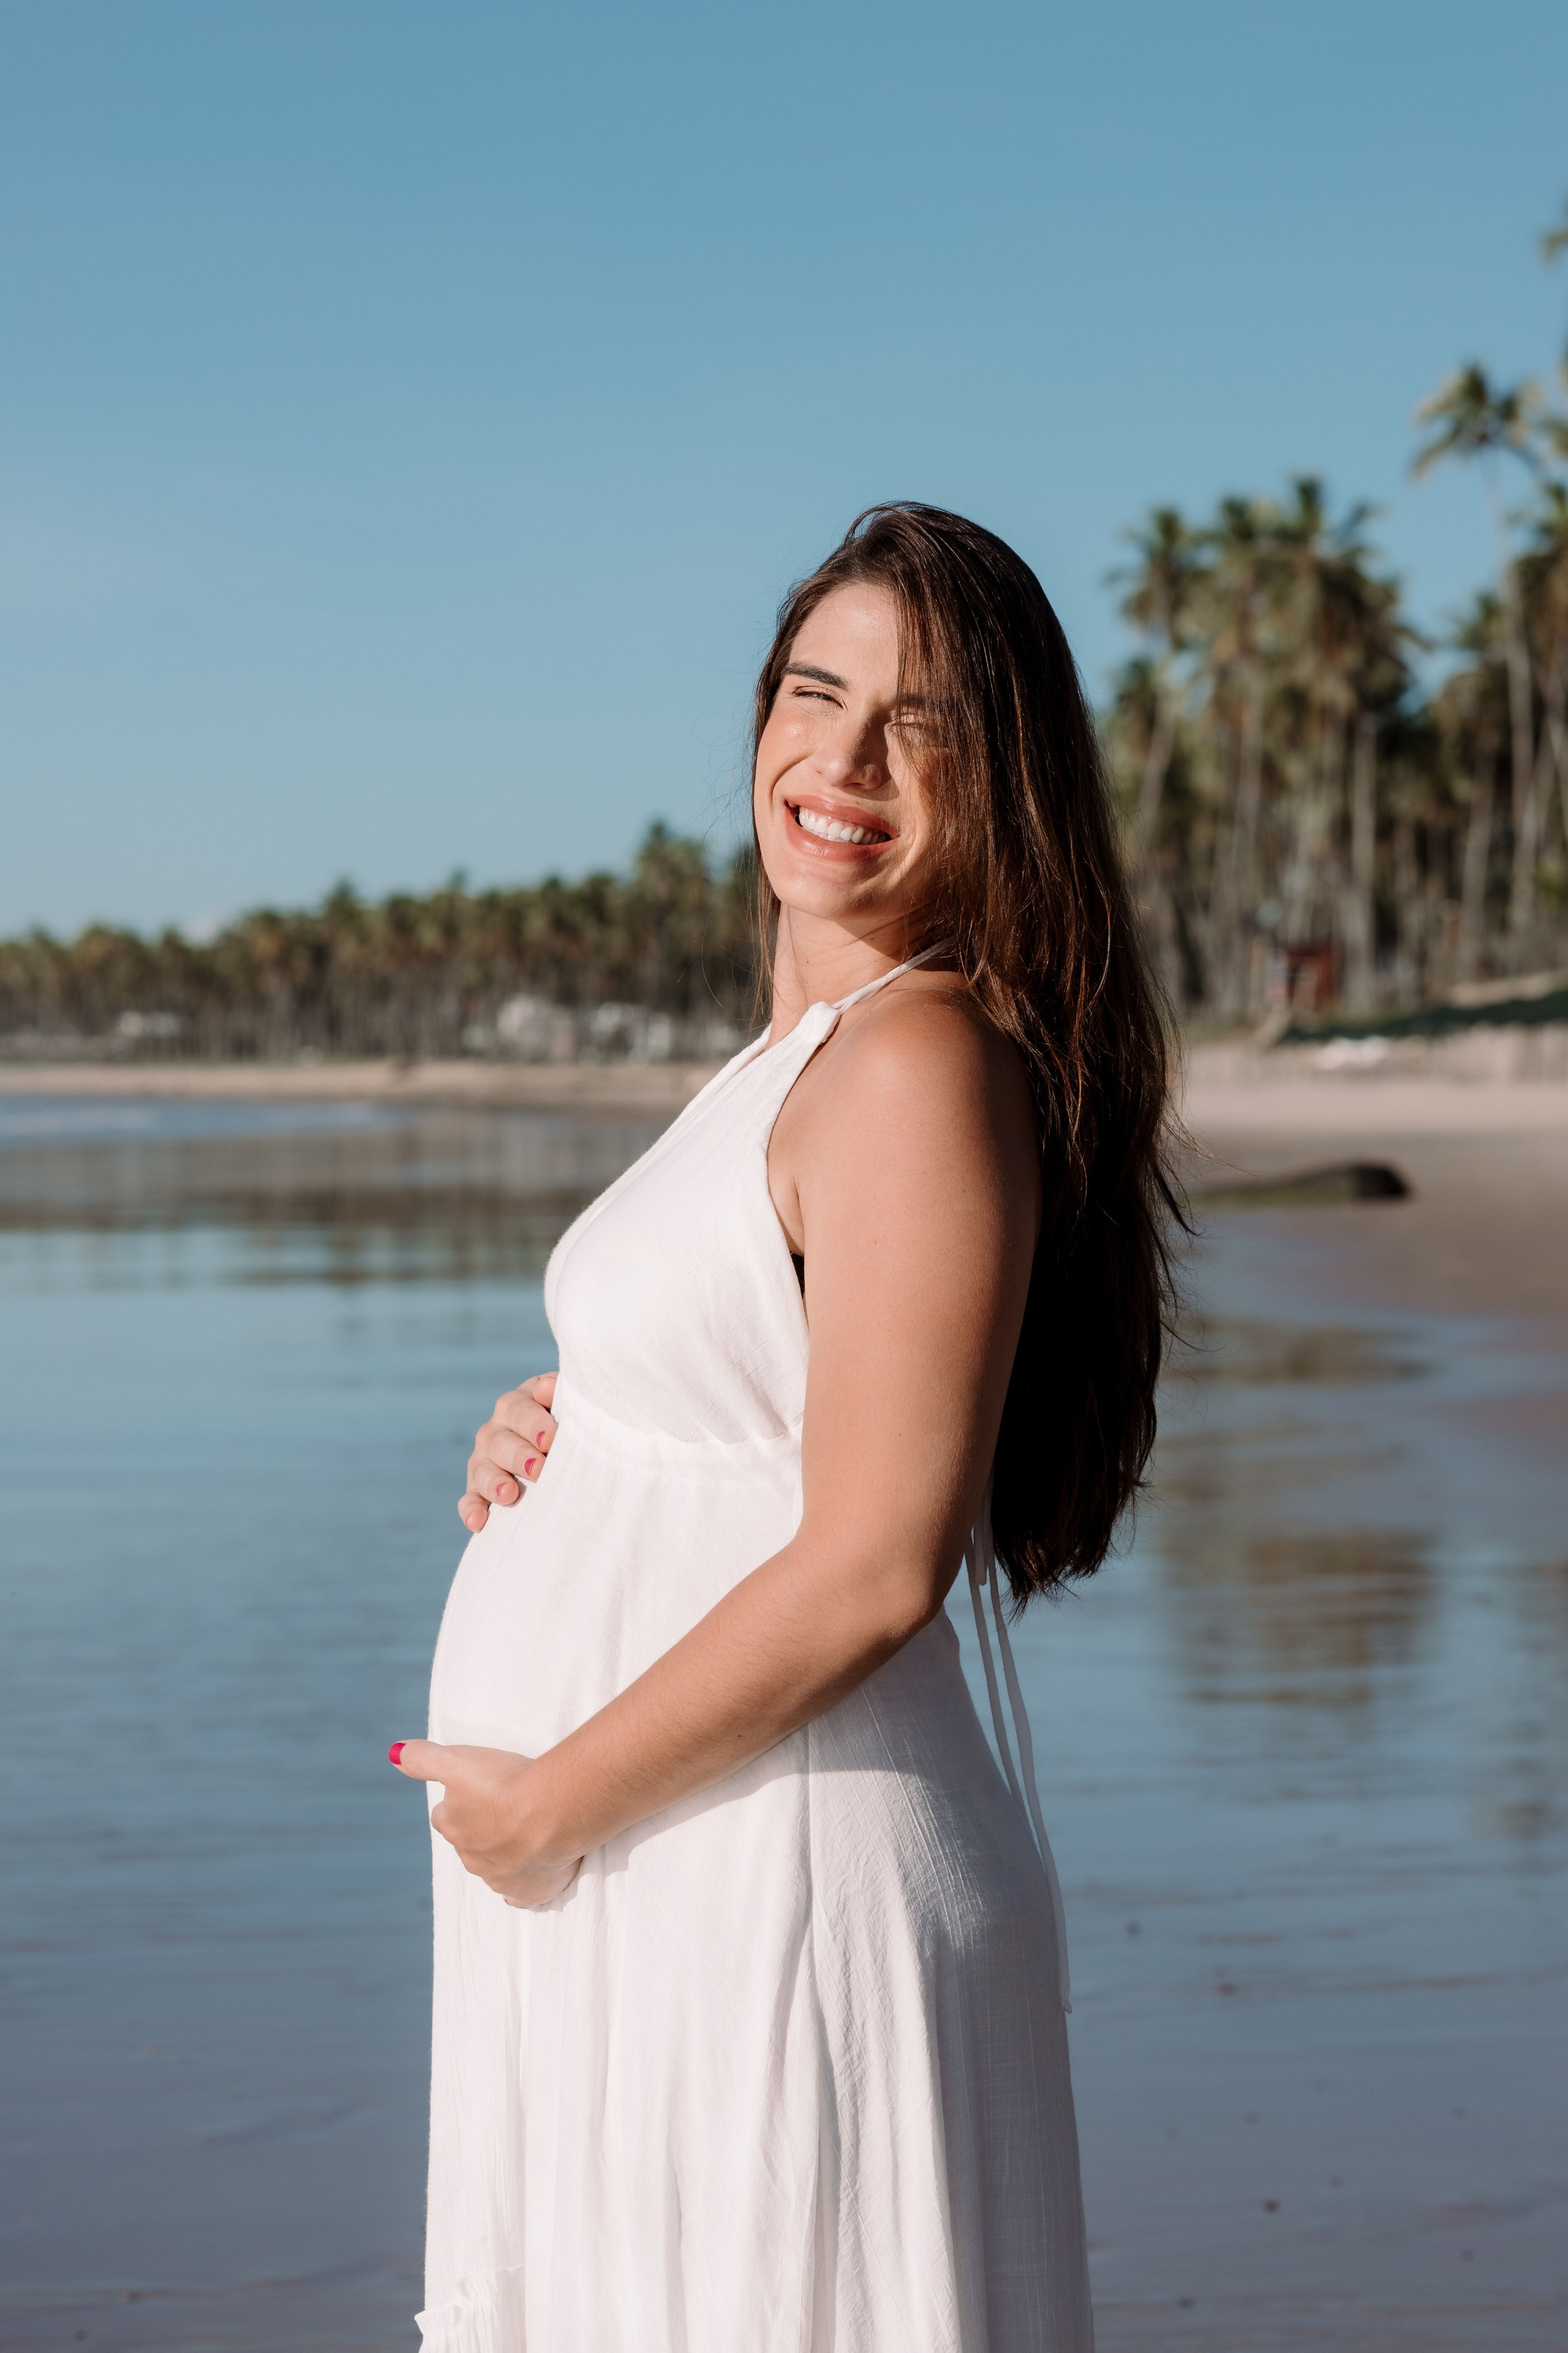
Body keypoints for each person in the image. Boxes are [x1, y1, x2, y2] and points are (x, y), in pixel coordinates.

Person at [391, 503, 1177, 2352]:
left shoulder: (916, 1057)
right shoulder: (794, 1066)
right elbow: (772, 1399)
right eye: (817, 694)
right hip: (688, 1865)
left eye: (925, 724)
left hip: (767, 1881)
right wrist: (582, 1426)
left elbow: (882, 1557)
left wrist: (552, 1805)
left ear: (1009, 785)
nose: (847, 759)